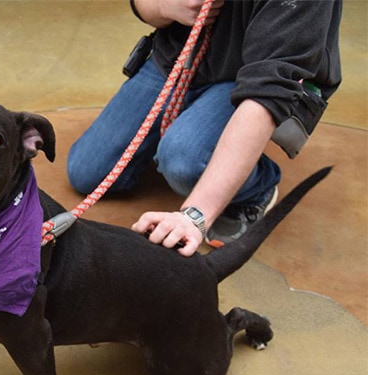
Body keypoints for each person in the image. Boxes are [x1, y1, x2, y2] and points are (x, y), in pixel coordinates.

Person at [66, 0, 342, 257]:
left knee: (184, 162)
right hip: (177, 57)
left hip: (249, 77)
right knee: (87, 171)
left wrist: (195, 216)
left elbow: (267, 93)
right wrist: (167, 6)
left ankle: (259, 186)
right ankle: (192, 132)